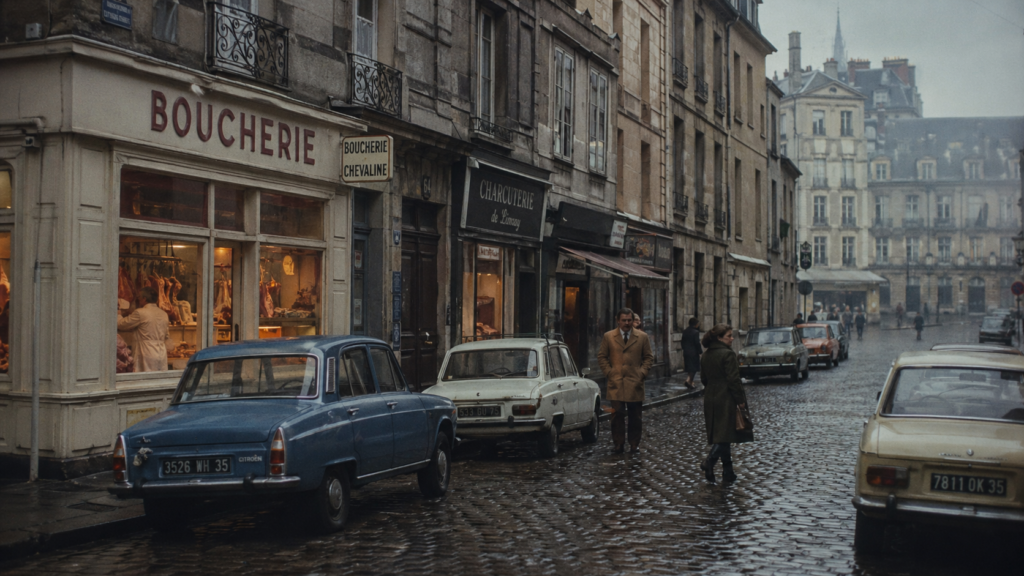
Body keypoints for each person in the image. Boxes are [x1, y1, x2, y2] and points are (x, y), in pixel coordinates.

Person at [699, 324, 753, 483]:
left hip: (711, 398)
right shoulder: (728, 354)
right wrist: (740, 400)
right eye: (729, 336)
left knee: (723, 434)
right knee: (724, 436)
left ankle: (728, 472)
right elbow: (733, 380)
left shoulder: (706, 355)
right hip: (726, 398)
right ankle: (709, 462)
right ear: (719, 338)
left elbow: (703, 379)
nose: (732, 338)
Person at [598, 308, 655, 454]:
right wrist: (609, 372)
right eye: (624, 320)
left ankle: (634, 444)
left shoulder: (642, 337)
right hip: (616, 382)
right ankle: (618, 444)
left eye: (629, 320)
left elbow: (649, 357)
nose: (627, 323)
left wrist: (641, 373)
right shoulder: (609, 336)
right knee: (617, 415)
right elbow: (602, 356)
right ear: (618, 321)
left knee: (635, 416)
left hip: (635, 382)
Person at [117, 287, 170, 372]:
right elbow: (166, 335)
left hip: (146, 352)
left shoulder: (140, 312)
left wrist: (119, 314)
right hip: (161, 353)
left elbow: (121, 325)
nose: (138, 299)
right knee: (158, 378)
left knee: (144, 378)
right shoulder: (164, 314)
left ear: (144, 299)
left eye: (139, 297)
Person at [680, 318, 702, 390]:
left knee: (690, 367)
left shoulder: (685, 331)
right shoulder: (695, 332)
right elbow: (697, 343)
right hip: (693, 352)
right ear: (696, 324)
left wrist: (685, 349)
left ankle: (690, 382)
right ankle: (688, 380)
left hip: (686, 352)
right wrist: (700, 351)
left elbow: (682, 342)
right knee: (694, 368)